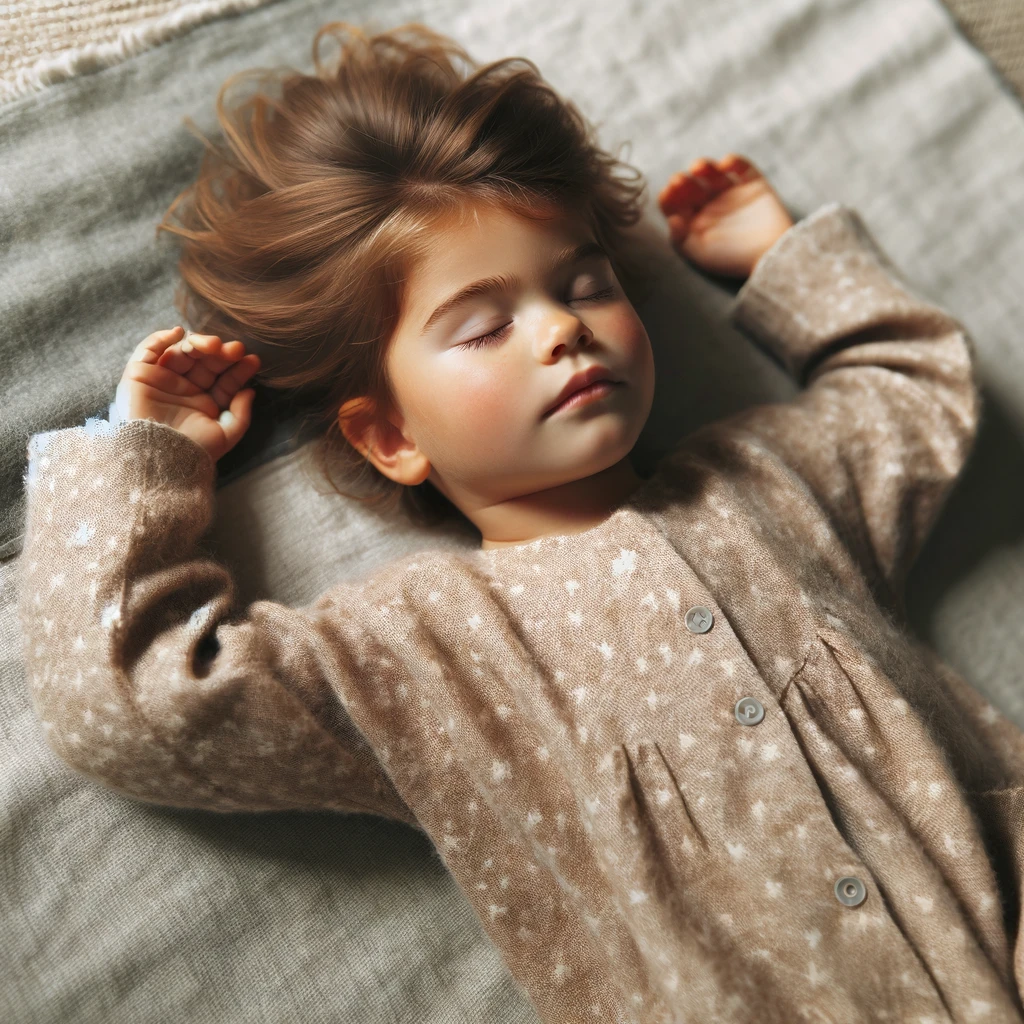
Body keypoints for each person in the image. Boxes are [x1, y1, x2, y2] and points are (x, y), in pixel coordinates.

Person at [17, 20, 1024, 1024]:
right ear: (391, 436)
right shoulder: (419, 657)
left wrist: (777, 256)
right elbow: (136, 704)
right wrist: (145, 456)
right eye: (484, 326)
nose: (562, 327)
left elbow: (911, 387)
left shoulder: (765, 485)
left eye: (586, 285)